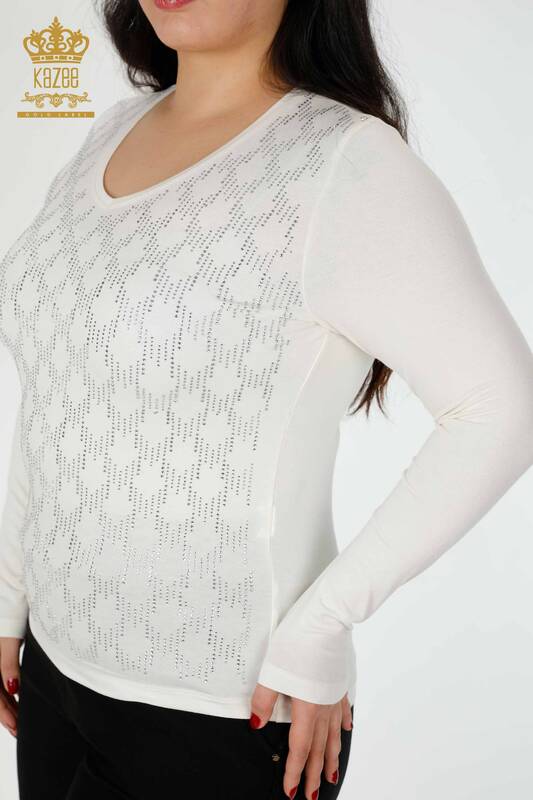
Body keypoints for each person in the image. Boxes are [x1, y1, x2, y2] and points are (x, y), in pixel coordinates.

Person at [1, 0, 533, 798]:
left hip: (219, 712)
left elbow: (501, 410)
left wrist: (322, 625)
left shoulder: (342, 161)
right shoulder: (110, 131)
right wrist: (10, 594)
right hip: (53, 674)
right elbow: (57, 395)